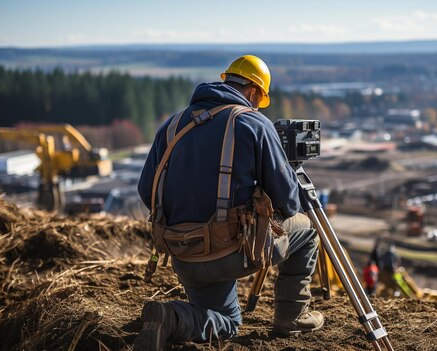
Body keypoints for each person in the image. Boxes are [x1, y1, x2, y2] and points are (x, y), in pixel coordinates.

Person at [135, 55, 323, 350]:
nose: (257, 106)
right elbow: (288, 201)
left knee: (227, 321)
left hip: (184, 253)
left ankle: (172, 317)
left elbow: (147, 190)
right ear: (253, 91)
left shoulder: (172, 125)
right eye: (259, 100)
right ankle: (292, 317)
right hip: (231, 252)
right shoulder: (253, 123)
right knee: (308, 230)